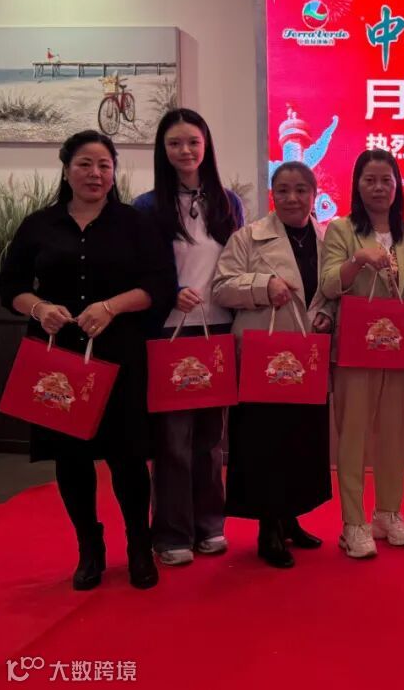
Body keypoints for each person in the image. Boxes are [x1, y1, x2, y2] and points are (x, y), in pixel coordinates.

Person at [0, 130, 176, 590]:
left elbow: (160, 285)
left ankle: (139, 546)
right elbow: (10, 285)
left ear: (114, 172)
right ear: (66, 169)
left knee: (128, 457)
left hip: (120, 357)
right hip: (58, 358)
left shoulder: (135, 224)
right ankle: (89, 548)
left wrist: (111, 306)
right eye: (84, 164)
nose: (95, 174)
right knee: (71, 458)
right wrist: (38, 308)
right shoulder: (39, 225)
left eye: (104, 165)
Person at [133, 108, 244, 567]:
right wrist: (170, 292)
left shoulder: (227, 202)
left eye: (193, 142)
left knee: (211, 439)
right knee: (173, 440)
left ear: (206, 146)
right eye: (175, 143)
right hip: (169, 332)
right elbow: (141, 270)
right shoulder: (146, 207)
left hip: (217, 328)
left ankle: (209, 524)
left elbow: (237, 262)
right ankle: (171, 532)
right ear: (163, 150)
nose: (185, 150)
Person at [212, 161, 333, 568]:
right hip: (264, 361)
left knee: (302, 441)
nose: (292, 198)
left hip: (308, 359)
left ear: (314, 195)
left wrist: (327, 315)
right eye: (283, 190)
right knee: (264, 441)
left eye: (301, 190)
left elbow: (334, 292)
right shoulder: (248, 238)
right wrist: (263, 286)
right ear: (272, 194)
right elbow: (221, 288)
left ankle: (291, 518)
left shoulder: (327, 239)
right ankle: (268, 528)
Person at [320, 149, 404, 559]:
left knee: (393, 431)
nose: (378, 188)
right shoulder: (341, 230)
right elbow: (328, 284)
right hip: (355, 346)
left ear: (397, 186)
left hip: (397, 346)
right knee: (354, 435)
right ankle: (353, 522)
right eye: (370, 180)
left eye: (386, 180)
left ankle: (388, 512)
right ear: (357, 186)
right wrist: (359, 259)